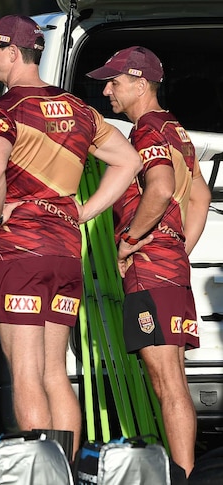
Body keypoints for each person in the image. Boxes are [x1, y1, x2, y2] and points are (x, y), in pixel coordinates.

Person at [0, 15, 142, 459]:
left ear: (12, 53)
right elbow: (129, 161)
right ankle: (64, 468)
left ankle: (40, 472)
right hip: (66, 251)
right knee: (54, 373)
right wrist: (82, 211)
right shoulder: (80, 109)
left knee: (25, 371)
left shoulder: (1, 111)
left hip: (21, 250)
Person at [87, 46, 211, 476]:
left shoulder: (145, 130)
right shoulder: (177, 131)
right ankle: (185, 472)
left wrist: (131, 240)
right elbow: (201, 196)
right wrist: (178, 248)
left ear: (141, 84)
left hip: (149, 267)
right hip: (170, 267)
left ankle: (182, 474)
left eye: (115, 82)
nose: (106, 91)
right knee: (172, 378)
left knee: (166, 382)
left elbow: (158, 189)